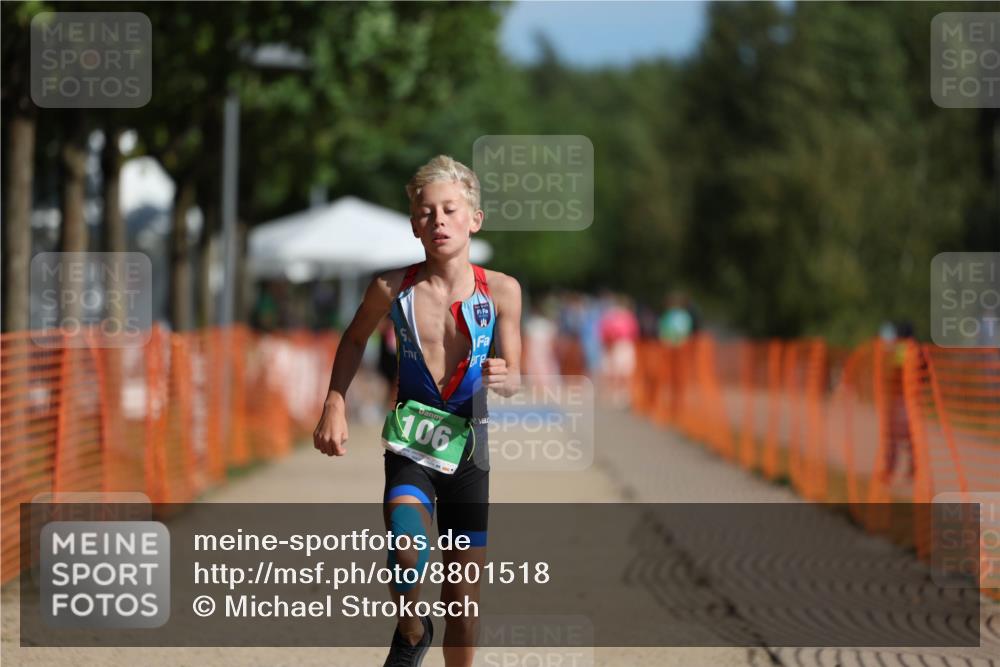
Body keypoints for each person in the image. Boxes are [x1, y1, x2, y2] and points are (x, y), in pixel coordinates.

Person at [313, 155, 522, 667]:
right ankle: (410, 629)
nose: (439, 221)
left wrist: (507, 377)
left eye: (450, 209)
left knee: (463, 606)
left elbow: (516, 374)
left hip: (471, 453)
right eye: (426, 213)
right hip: (412, 443)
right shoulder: (391, 288)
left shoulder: (502, 290)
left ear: (474, 218)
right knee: (406, 549)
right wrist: (334, 403)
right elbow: (354, 337)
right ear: (413, 226)